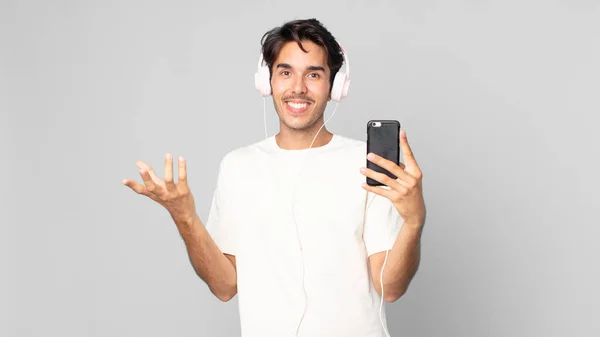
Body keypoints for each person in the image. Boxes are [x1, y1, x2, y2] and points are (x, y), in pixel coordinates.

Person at [122, 18, 426, 337]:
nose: (298, 88)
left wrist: (414, 222)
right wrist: (184, 217)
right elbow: (224, 286)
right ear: (266, 81)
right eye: (285, 72)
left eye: (313, 74)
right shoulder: (238, 167)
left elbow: (390, 288)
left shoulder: (367, 164)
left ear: (336, 86)